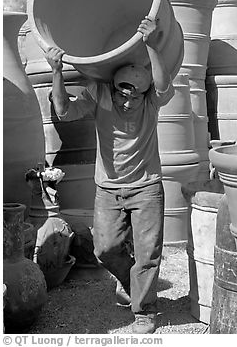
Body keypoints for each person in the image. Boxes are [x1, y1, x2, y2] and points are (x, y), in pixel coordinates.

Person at [45, 17, 175, 334]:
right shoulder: (100, 94)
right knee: (104, 250)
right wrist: (57, 71)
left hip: (146, 187)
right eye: (122, 94)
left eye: (135, 96)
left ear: (145, 95)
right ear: (113, 88)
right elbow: (62, 111)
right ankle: (132, 283)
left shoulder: (152, 101)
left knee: (148, 253)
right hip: (108, 189)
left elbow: (163, 85)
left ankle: (145, 314)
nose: (127, 101)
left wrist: (152, 46)